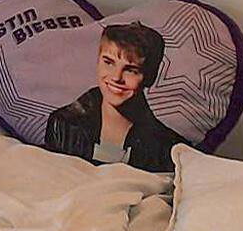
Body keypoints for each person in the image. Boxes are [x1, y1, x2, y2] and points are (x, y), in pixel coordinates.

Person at [44, 22, 186, 172]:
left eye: (131, 70)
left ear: (150, 76)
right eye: (109, 63)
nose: (116, 77)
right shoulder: (63, 125)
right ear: (97, 62)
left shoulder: (167, 147)